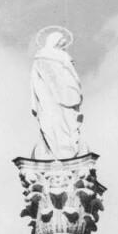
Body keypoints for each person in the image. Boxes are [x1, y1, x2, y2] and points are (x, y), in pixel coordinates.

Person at [30, 26, 85, 160]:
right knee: (51, 120)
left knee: (66, 121)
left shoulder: (64, 56)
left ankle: (67, 148)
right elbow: (36, 80)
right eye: (60, 42)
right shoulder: (42, 56)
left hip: (66, 95)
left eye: (63, 44)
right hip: (48, 96)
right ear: (54, 41)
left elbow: (71, 76)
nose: (62, 45)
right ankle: (58, 150)